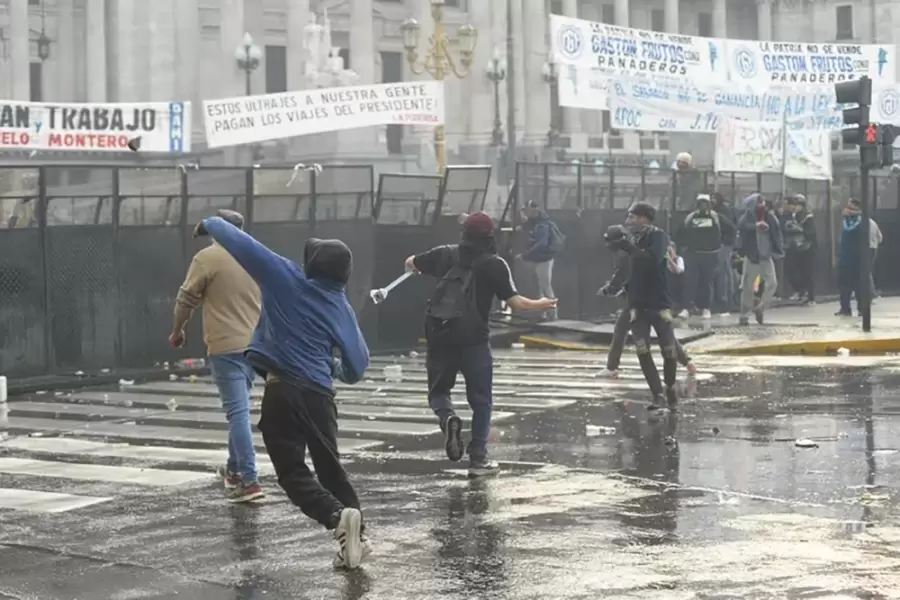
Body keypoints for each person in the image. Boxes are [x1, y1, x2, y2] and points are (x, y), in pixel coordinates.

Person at [194, 215, 370, 570]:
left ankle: (337, 518)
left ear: (313, 266)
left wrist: (209, 223)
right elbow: (357, 366)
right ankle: (358, 539)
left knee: (291, 472)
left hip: (283, 391)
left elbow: (242, 243)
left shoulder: (285, 276)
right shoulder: (340, 306)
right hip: (320, 397)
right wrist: (334, 367)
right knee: (331, 471)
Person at [406, 212, 557, 478]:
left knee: (438, 392)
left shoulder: (445, 254)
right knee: (481, 401)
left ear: (464, 233)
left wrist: (417, 266)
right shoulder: (495, 264)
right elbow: (516, 303)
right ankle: (478, 459)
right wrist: (541, 303)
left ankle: (447, 418)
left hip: (440, 335)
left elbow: (410, 263)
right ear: (490, 235)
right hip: (473, 339)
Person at [170, 209, 263, 504]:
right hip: (256, 346)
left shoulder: (208, 258)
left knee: (237, 413)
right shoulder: (256, 255)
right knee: (240, 409)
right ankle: (234, 472)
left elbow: (185, 299)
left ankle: (249, 480)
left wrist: (177, 330)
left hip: (225, 346)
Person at [603, 203, 678, 410]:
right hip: (636, 304)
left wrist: (628, 247)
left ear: (644, 218)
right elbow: (629, 269)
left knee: (669, 350)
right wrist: (618, 287)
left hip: (658, 302)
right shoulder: (631, 240)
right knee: (642, 350)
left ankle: (670, 387)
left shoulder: (658, 237)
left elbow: (651, 261)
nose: (628, 221)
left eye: (632, 217)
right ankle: (657, 395)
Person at [598, 240, 697, 379]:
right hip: (652, 301)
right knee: (664, 332)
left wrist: (612, 290)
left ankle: (612, 367)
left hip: (642, 302)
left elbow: (628, 278)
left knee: (623, 329)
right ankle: (687, 362)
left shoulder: (634, 256)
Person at [676, 194, 735, 319]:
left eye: (705, 203)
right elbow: (681, 232)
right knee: (690, 282)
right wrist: (683, 247)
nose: (702, 206)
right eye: (700, 203)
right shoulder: (690, 217)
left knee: (707, 283)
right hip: (693, 254)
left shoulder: (717, 217)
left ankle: (706, 308)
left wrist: (723, 244)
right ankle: (687, 308)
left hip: (711, 254)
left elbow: (731, 229)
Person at [736, 193, 783, 325]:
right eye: (758, 203)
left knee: (772, 283)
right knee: (747, 287)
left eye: (762, 202)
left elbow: (777, 232)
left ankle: (761, 306)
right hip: (752, 257)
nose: (761, 205)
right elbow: (742, 228)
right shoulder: (746, 218)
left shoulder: (769, 216)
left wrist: (778, 249)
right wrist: (756, 225)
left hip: (765, 257)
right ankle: (744, 315)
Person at [517, 200, 562, 321]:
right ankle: (544, 313)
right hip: (539, 259)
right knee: (540, 287)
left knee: (546, 286)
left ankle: (553, 315)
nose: (525, 213)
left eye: (527, 210)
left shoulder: (542, 225)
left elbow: (542, 244)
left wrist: (525, 255)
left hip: (543, 259)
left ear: (534, 210)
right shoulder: (534, 222)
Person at [782, 195, 817, 305]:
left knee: (807, 272)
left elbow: (811, 233)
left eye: (796, 205)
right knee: (791, 270)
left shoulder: (807, 217)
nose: (794, 207)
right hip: (794, 247)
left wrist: (800, 229)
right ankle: (800, 290)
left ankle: (811, 297)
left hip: (807, 248)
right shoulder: (791, 216)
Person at [837, 199, 865, 317]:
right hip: (844, 257)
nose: (847, 210)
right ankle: (845, 308)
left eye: (850, 208)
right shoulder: (845, 220)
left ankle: (862, 308)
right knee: (844, 285)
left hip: (857, 258)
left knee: (858, 285)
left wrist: (850, 215)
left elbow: (851, 230)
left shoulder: (861, 220)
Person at [869, 215, 883, 299]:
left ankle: (872, 292)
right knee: (869, 270)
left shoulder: (859, 223)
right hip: (874, 248)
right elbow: (880, 238)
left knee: (865, 271)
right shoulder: (873, 223)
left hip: (865, 248)